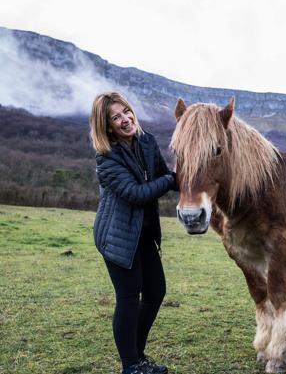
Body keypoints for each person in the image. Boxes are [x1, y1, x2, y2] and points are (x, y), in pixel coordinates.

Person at [89, 91, 177, 374]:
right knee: (128, 298)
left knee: (155, 292)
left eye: (126, 111)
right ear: (107, 126)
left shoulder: (146, 141)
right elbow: (136, 194)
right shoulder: (107, 159)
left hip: (144, 233)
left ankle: (138, 358)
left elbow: (169, 177)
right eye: (116, 117)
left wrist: (199, 177)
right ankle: (130, 366)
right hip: (117, 236)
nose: (125, 119)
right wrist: (170, 180)